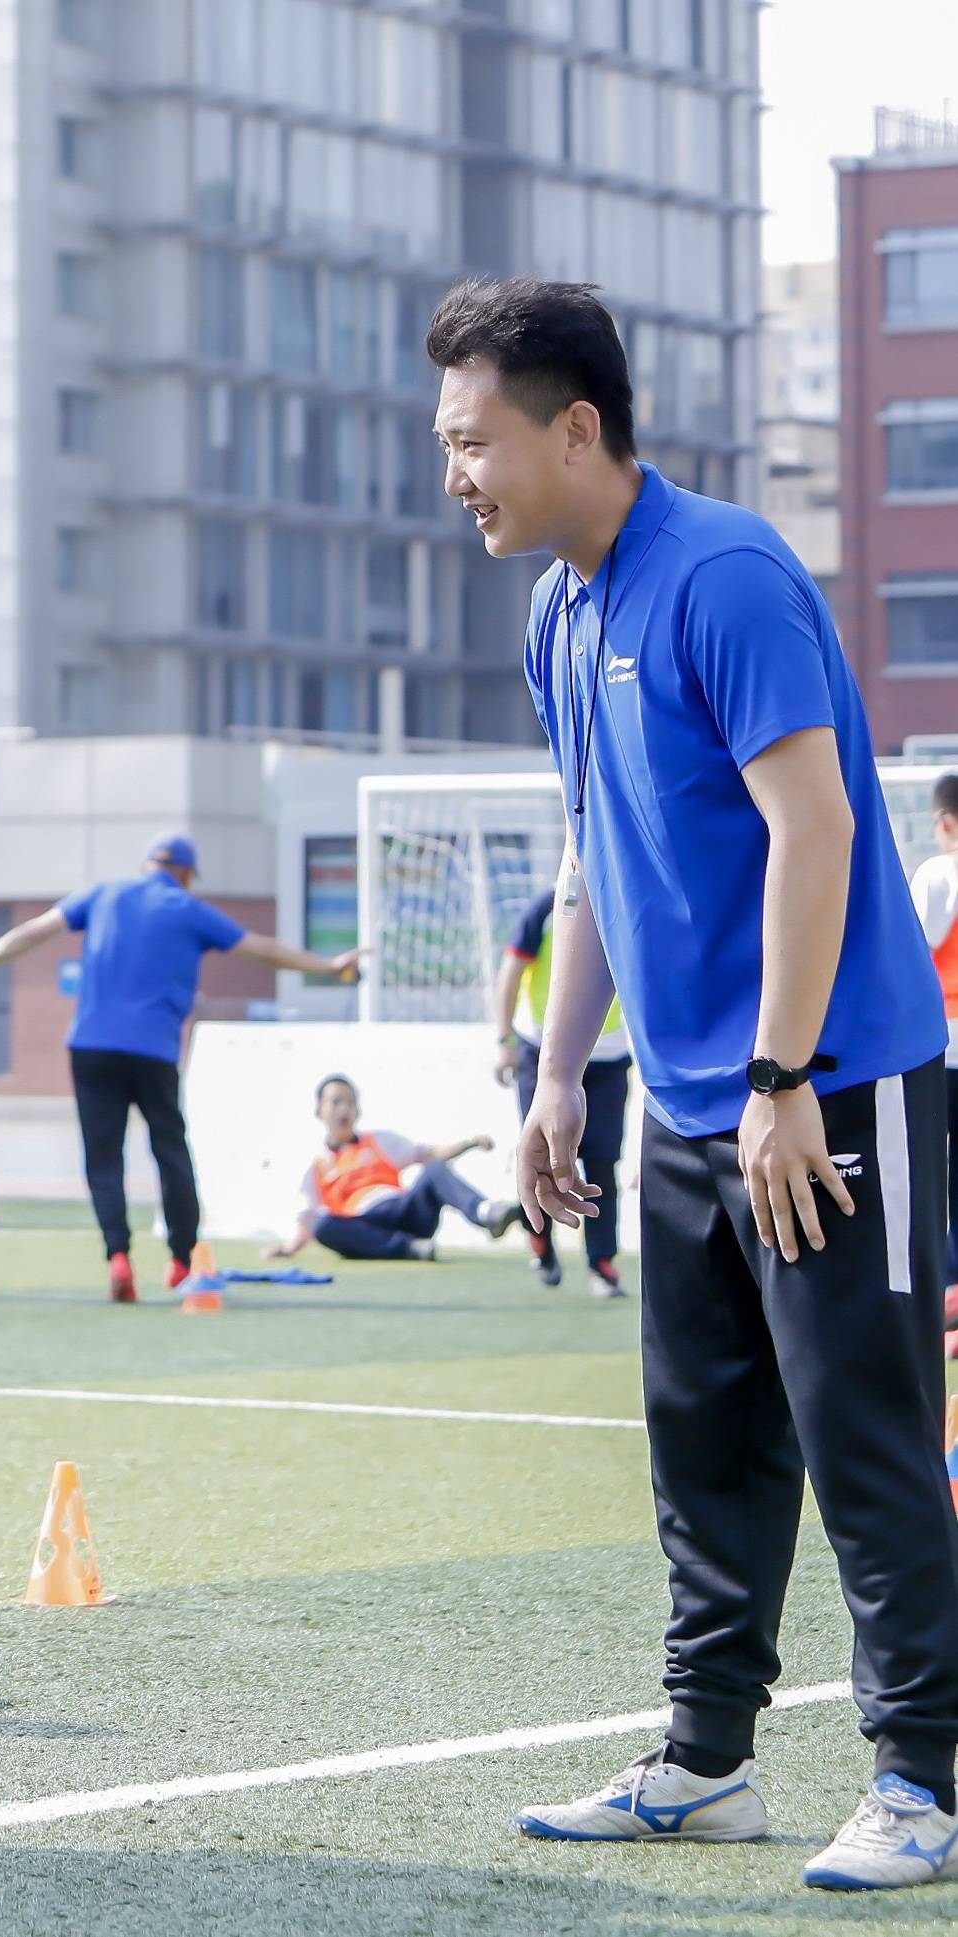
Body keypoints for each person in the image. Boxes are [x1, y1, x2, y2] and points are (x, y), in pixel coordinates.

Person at [423, 278, 958, 1892]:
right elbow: (595, 850)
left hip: (830, 1092)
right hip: (680, 1103)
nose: (454, 473)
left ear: (571, 428)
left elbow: (817, 828)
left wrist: (782, 1076)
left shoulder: (720, 573)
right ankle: (705, 1757)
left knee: (861, 1434)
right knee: (701, 1435)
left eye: (471, 440)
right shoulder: (557, 612)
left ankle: (920, 1780)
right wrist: (558, 1077)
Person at [0, 834, 361, 1302]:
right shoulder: (189, 909)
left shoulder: (102, 894)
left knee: (103, 1156)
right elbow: (262, 949)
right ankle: (180, 1262)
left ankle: (118, 1255)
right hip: (152, 1050)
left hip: (91, 1045)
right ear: (186, 875)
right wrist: (328, 965)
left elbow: (34, 931)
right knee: (170, 1151)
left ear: (146, 866)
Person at [493, 886, 634, 1296]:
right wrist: (503, 1041)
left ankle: (601, 1262)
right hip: (545, 1054)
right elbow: (512, 971)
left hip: (608, 1058)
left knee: (603, 1161)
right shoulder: (546, 906)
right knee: (543, 1156)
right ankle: (539, 1236)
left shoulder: (624, 896)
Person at [266, 1075, 521, 1263]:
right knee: (323, 1225)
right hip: (364, 1226)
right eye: (336, 1102)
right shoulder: (316, 1166)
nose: (344, 1108)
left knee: (433, 1169)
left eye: (350, 1102)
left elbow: (430, 1153)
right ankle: (409, 1248)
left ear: (358, 1110)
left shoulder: (380, 1141)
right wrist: (289, 1249)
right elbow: (307, 1218)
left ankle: (486, 1213)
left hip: (403, 1211)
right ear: (319, 1110)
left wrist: (469, 1143)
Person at [905, 773, 958, 1344]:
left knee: (928, 1180)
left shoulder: (939, 872)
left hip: (938, 1049)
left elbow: (913, 949)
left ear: (944, 822)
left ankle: (941, 1302)